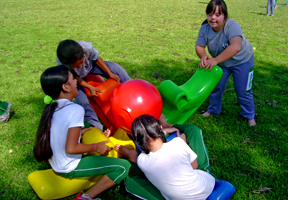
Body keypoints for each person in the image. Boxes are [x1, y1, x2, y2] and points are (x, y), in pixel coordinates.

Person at [33, 65, 163, 200]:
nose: (77, 81)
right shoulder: (75, 109)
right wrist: (96, 147)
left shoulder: (53, 108)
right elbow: (71, 148)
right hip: (69, 167)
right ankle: (85, 197)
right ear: (65, 87)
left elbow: (59, 132)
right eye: (73, 79)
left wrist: (80, 133)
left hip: (57, 163)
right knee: (123, 167)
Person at [116, 114, 215, 200]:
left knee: (131, 182)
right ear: (160, 128)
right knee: (192, 131)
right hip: (204, 189)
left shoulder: (142, 161)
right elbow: (194, 166)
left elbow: (148, 140)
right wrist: (184, 142)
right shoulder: (178, 143)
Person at [195, 0, 257, 126]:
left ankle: (249, 116)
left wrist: (215, 60)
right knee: (216, 87)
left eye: (218, 15)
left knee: (243, 91)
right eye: (210, 14)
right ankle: (213, 110)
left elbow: (236, 47)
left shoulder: (232, 26)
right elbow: (199, 47)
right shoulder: (205, 28)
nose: (213, 18)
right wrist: (204, 56)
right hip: (222, 63)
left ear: (225, 15)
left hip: (242, 60)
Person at [56, 40, 131, 130]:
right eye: (76, 66)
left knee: (116, 68)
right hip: (78, 78)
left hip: (92, 66)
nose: (80, 66)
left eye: (81, 62)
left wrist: (110, 73)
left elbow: (97, 58)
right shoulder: (62, 62)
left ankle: (133, 89)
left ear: (83, 54)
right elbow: (74, 76)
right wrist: (89, 87)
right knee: (82, 100)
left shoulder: (86, 47)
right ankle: (94, 125)